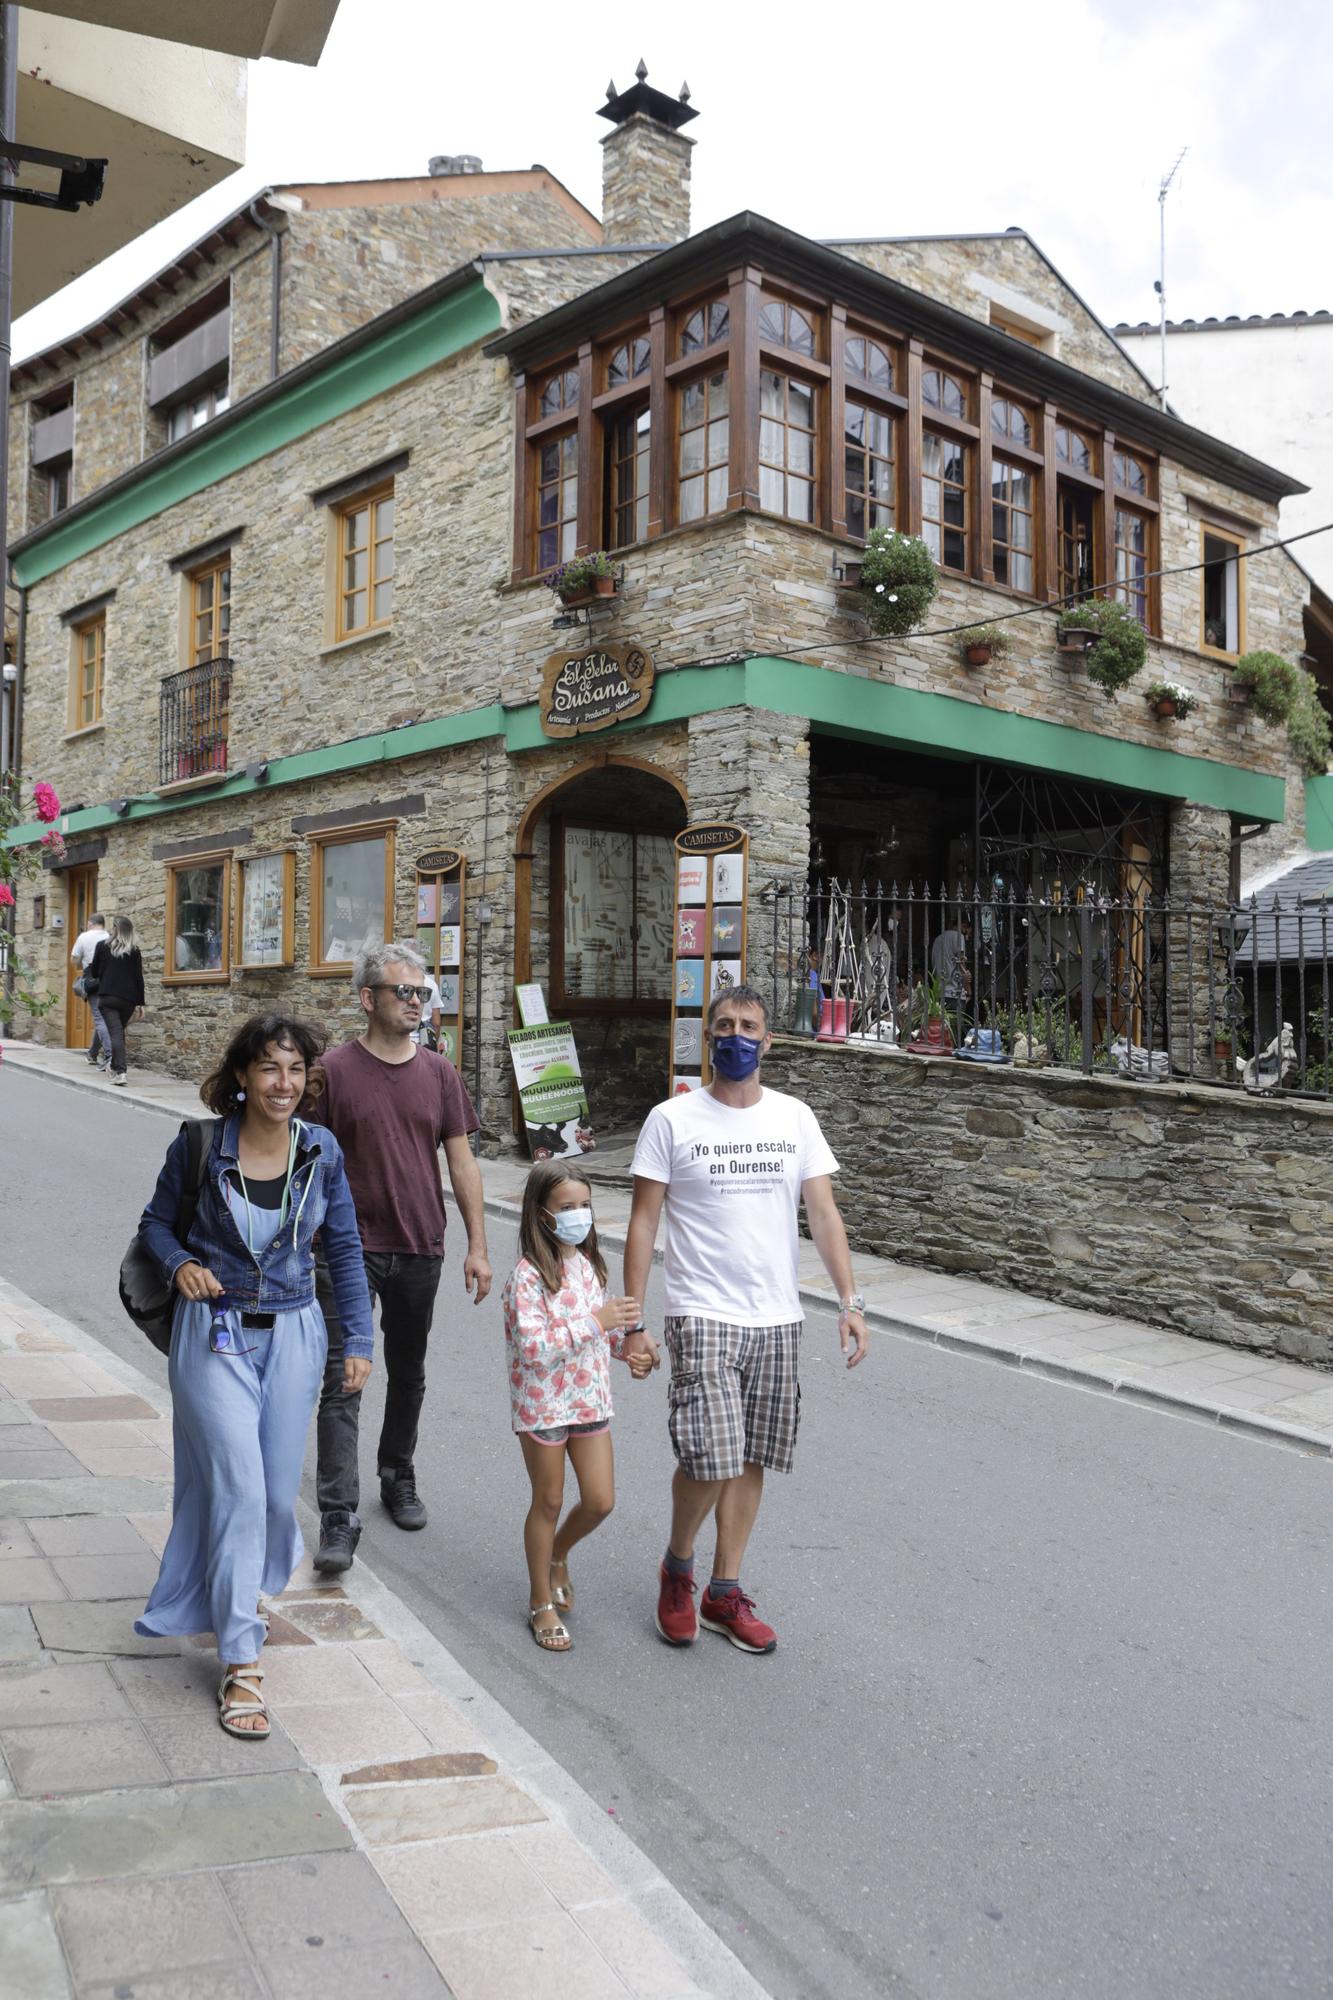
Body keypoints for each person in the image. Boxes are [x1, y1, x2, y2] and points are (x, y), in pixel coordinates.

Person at [134, 1013, 373, 1737]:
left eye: (295, 1069)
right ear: (242, 1074)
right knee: (237, 1486)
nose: (283, 1083)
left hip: (296, 1333)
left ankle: (234, 1590)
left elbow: (345, 1250)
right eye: (269, 1068)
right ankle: (241, 1660)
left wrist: (357, 1338)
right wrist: (181, 1265)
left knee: (272, 1496)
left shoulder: (320, 1151)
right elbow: (155, 1224)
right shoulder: (201, 1145)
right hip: (214, 1334)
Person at [624, 983, 870, 1657]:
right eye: (724, 1025)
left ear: (767, 1040)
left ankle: (723, 1589)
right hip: (700, 1309)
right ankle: (678, 1567)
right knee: (710, 1454)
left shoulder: (793, 1117)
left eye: (748, 1026)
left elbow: (822, 1213)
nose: (735, 1036)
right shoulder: (671, 1121)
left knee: (751, 1454)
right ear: (707, 1037)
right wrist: (634, 1321)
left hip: (775, 1315)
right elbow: (643, 1222)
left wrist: (849, 1302)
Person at [311, 940, 492, 1574]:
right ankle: (338, 1512)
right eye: (404, 992)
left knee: (408, 1372)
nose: (417, 1001)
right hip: (347, 1249)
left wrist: (477, 1244)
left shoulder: (440, 1073)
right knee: (343, 1379)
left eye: (423, 992)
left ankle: (397, 1472)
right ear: (368, 999)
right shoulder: (331, 1071)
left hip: (420, 1244)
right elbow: (304, 1162)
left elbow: (461, 1160)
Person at [503, 1161, 650, 1652]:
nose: (579, 1215)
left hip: (589, 1400)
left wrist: (626, 1349)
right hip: (544, 1407)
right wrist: (597, 1320)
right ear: (541, 1213)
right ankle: (540, 1601)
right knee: (548, 1501)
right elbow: (535, 1349)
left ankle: (558, 1552)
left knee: (600, 1500)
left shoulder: (587, 1265)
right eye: (567, 1207)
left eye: (584, 1205)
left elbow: (596, 1332)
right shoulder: (526, 1277)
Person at [87, 914, 144, 1085]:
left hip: (108, 997)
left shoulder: (103, 946)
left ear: (115, 929)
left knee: (116, 1034)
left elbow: (95, 972)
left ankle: (121, 1072)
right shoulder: (134, 950)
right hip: (129, 1000)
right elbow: (138, 978)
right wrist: (141, 1003)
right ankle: (114, 1067)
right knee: (118, 1033)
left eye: (113, 927)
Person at [70, 908, 109, 1066]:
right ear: (103, 924)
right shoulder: (110, 937)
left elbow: (74, 959)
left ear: (90, 924)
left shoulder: (84, 937)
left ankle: (110, 1055)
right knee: (104, 1018)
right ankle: (92, 1054)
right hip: (108, 978)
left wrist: (81, 963)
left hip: (92, 977)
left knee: (100, 1019)